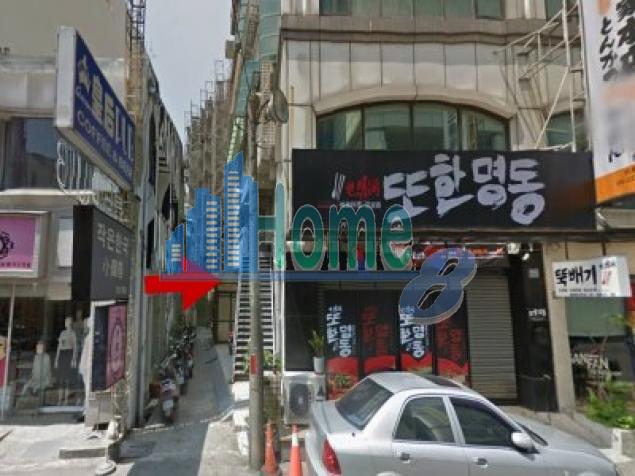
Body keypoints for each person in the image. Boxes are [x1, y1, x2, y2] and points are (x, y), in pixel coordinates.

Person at [55, 317, 78, 405]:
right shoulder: (62, 333)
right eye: (65, 322)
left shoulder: (73, 333)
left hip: (69, 353)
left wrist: (74, 359)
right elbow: (59, 346)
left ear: (70, 323)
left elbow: (75, 347)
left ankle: (66, 399)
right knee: (61, 378)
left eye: (68, 322)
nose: (66, 323)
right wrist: (56, 359)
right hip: (62, 354)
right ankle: (59, 398)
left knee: (67, 378)